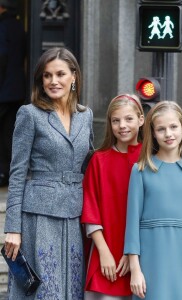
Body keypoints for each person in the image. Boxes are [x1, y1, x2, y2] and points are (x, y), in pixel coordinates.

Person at [3, 47, 94, 299]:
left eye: (60, 74)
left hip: (75, 213)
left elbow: (90, 164)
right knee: (46, 290)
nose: (53, 81)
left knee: (73, 288)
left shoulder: (86, 116)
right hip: (39, 215)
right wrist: (12, 228)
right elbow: (18, 172)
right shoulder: (30, 114)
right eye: (47, 75)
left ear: (73, 76)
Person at [124, 101, 182, 300]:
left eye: (173, 127)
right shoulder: (140, 170)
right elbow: (132, 224)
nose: (168, 134)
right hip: (151, 255)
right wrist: (135, 269)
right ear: (153, 133)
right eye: (161, 129)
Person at [81, 94, 144, 300]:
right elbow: (90, 210)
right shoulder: (99, 160)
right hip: (106, 250)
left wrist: (132, 254)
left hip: (144, 251)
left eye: (128, 119)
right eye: (115, 120)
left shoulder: (150, 159)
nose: (122, 126)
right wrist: (103, 252)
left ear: (141, 120)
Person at [0, 0, 26, 187]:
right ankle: (9, 173)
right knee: (10, 133)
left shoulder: (2, 26)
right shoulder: (19, 26)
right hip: (17, 88)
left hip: (3, 90)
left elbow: (2, 57)